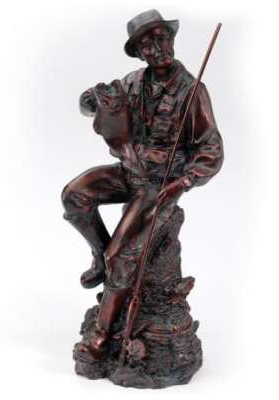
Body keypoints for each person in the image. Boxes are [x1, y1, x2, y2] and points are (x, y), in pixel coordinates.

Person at [61, 9, 223, 361]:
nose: (157, 48)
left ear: (172, 39)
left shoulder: (192, 91)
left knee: (121, 255)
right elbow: (88, 105)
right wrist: (92, 100)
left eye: (161, 38)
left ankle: (101, 337)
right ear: (138, 53)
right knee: (74, 195)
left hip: (159, 184)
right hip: (128, 171)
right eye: (147, 44)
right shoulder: (132, 82)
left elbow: (211, 151)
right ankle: (99, 255)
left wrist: (182, 183)